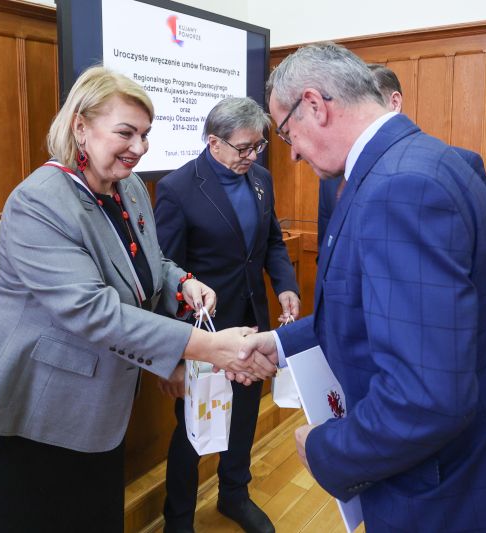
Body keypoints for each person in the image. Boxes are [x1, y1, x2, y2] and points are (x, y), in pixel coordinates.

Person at [241, 43, 486, 531]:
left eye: (286, 132)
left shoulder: (399, 188)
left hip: (455, 491)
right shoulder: (420, 161)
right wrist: (278, 344)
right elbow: (369, 311)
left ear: (314, 104)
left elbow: (424, 397)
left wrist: (326, 449)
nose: (291, 152)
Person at [0, 66, 275, 533]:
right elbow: (94, 311)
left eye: (145, 134)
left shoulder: (129, 187)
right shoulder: (38, 202)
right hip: (28, 406)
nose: (140, 147)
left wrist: (182, 281)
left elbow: (148, 259)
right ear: (80, 126)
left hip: (97, 407)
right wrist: (210, 347)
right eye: (126, 133)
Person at [154, 97, 300, 533]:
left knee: (245, 417)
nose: (252, 155)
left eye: (259, 146)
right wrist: (175, 355)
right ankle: (178, 518)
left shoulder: (261, 180)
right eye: (243, 147)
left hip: (252, 324)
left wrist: (286, 285)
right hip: (204, 332)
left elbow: (271, 242)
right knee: (193, 429)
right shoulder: (178, 188)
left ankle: (234, 494)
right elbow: (165, 271)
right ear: (213, 142)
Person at [317, 64, 486, 251]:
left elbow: (481, 248)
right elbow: (326, 251)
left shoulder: (463, 164)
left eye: (365, 108)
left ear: (394, 103)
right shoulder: (334, 176)